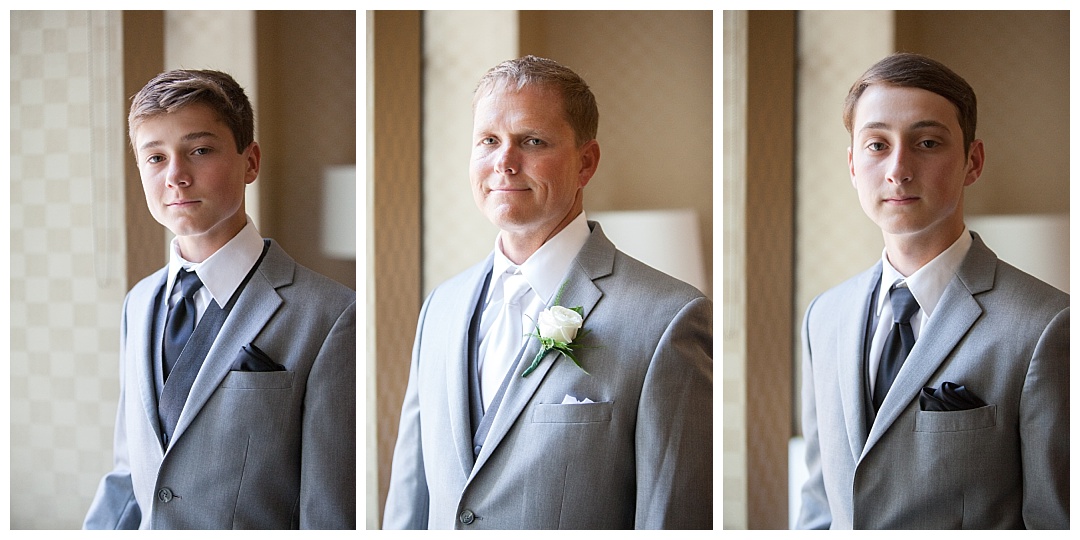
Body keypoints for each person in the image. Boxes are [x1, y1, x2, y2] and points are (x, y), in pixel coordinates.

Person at [382, 55, 712, 529]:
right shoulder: (441, 306)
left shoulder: (668, 319)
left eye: (532, 141)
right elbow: (410, 503)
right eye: (489, 140)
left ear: (586, 163)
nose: (504, 162)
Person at [797, 52, 1068, 529]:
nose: (898, 169)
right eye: (877, 145)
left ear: (972, 161)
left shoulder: (1046, 326)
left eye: (926, 142)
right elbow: (820, 507)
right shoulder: (824, 316)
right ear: (853, 166)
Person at [83, 69, 356, 529]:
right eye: (155, 157)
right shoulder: (139, 302)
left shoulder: (331, 315)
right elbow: (131, 474)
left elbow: (326, 513)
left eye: (200, 151)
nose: (176, 176)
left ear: (250, 162)